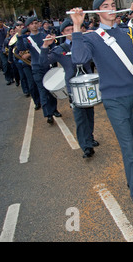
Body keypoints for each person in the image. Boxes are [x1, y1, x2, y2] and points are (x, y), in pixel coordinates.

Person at [69, 0, 133, 215]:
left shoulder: (127, 32)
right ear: (97, 13)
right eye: (105, 6)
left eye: (113, 5)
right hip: (114, 100)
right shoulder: (90, 37)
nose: (111, 8)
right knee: (128, 146)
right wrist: (77, 27)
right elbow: (79, 59)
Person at [40, 19, 99, 159]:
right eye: (68, 30)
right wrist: (45, 46)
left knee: (89, 114)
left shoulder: (85, 44)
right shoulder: (59, 50)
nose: (72, 32)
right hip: (74, 89)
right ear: (62, 33)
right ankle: (86, 147)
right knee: (80, 118)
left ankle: (89, 138)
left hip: (88, 85)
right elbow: (43, 63)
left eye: (74, 29)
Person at [17, 17, 61, 123]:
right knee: (42, 90)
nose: (34, 25)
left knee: (51, 89)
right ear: (28, 26)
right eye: (32, 24)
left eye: (36, 23)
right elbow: (21, 48)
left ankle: (54, 109)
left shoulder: (44, 36)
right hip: (36, 68)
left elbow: (54, 46)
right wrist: (19, 34)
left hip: (47, 66)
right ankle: (48, 114)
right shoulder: (26, 39)